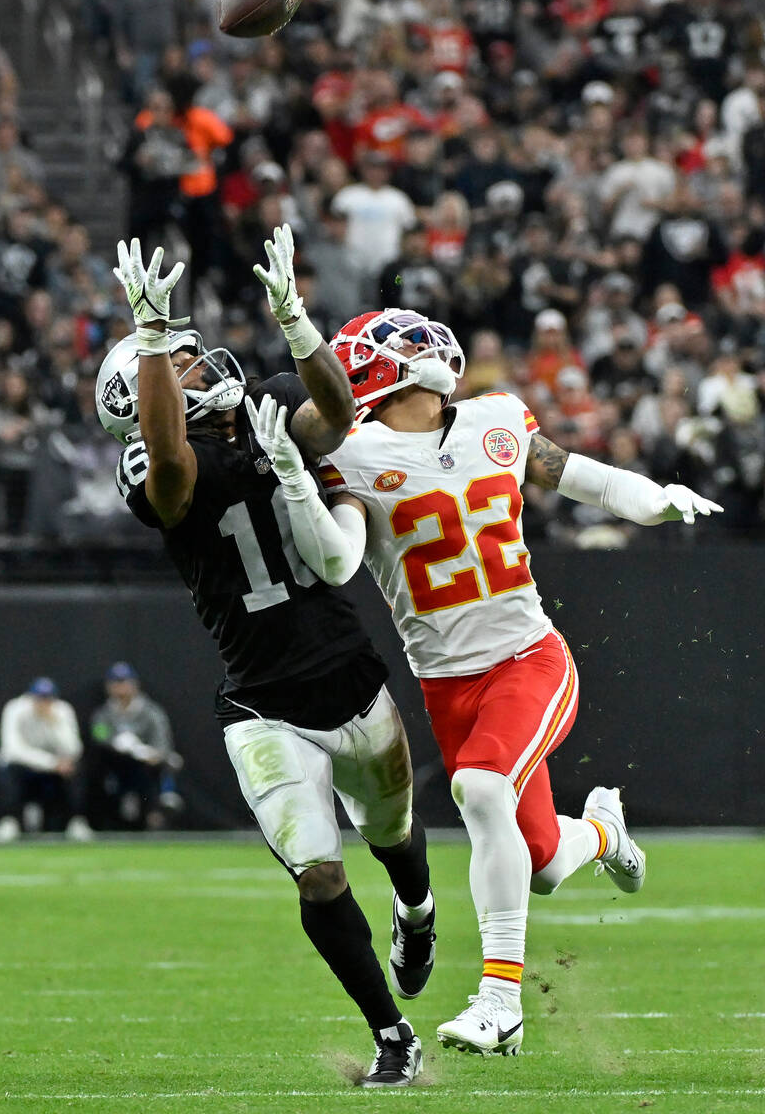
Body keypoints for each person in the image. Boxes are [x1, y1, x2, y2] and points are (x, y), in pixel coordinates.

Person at [244, 306, 723, 1058]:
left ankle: (501, 1002)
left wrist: (653, 498)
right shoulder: (354, 454)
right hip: (447, 686)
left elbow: (581, 478)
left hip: (528, 658)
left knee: (481, 790)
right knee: (540, 865)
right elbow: (340, 561)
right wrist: (293, 483)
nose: (422, 348)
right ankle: (601, 831)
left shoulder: (495, 419)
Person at [94, 231, 433, 1087]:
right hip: (261, 702)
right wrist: (150, 338)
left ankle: (417, 909)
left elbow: (337, 413)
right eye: (177, 365)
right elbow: (172, 470)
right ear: (143, 396)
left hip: (347, 670)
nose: (199, 364)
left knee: (394, 837)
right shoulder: (151, 462)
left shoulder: (266, 404)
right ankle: (392, 1034)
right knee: (319, 876)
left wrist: (297, 323)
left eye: (187, 357)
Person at [0, 677, 92, 842]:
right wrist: (52, 763)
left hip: (53, 772)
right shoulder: (15, 709)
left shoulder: (62, 710)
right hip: (25, 768)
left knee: (76, 768)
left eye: (47, 698)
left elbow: (74, 749)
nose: (43, 702)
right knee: (8, 767)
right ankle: (9, 821)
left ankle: (76, 822)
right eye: (39, 698)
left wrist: (54, 723)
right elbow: (12, 749)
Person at [89, 661, 182, 829]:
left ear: (134, 684)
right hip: (116, 763)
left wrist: (150, 753)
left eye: (124, 682)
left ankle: (163, 801)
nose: (120, 687)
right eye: (116, 683)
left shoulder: (151, 712)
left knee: (166, 764)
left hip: (145, 766)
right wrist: (117, 743)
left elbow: (162, 742)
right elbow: (99, 736)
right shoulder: (103, 713)